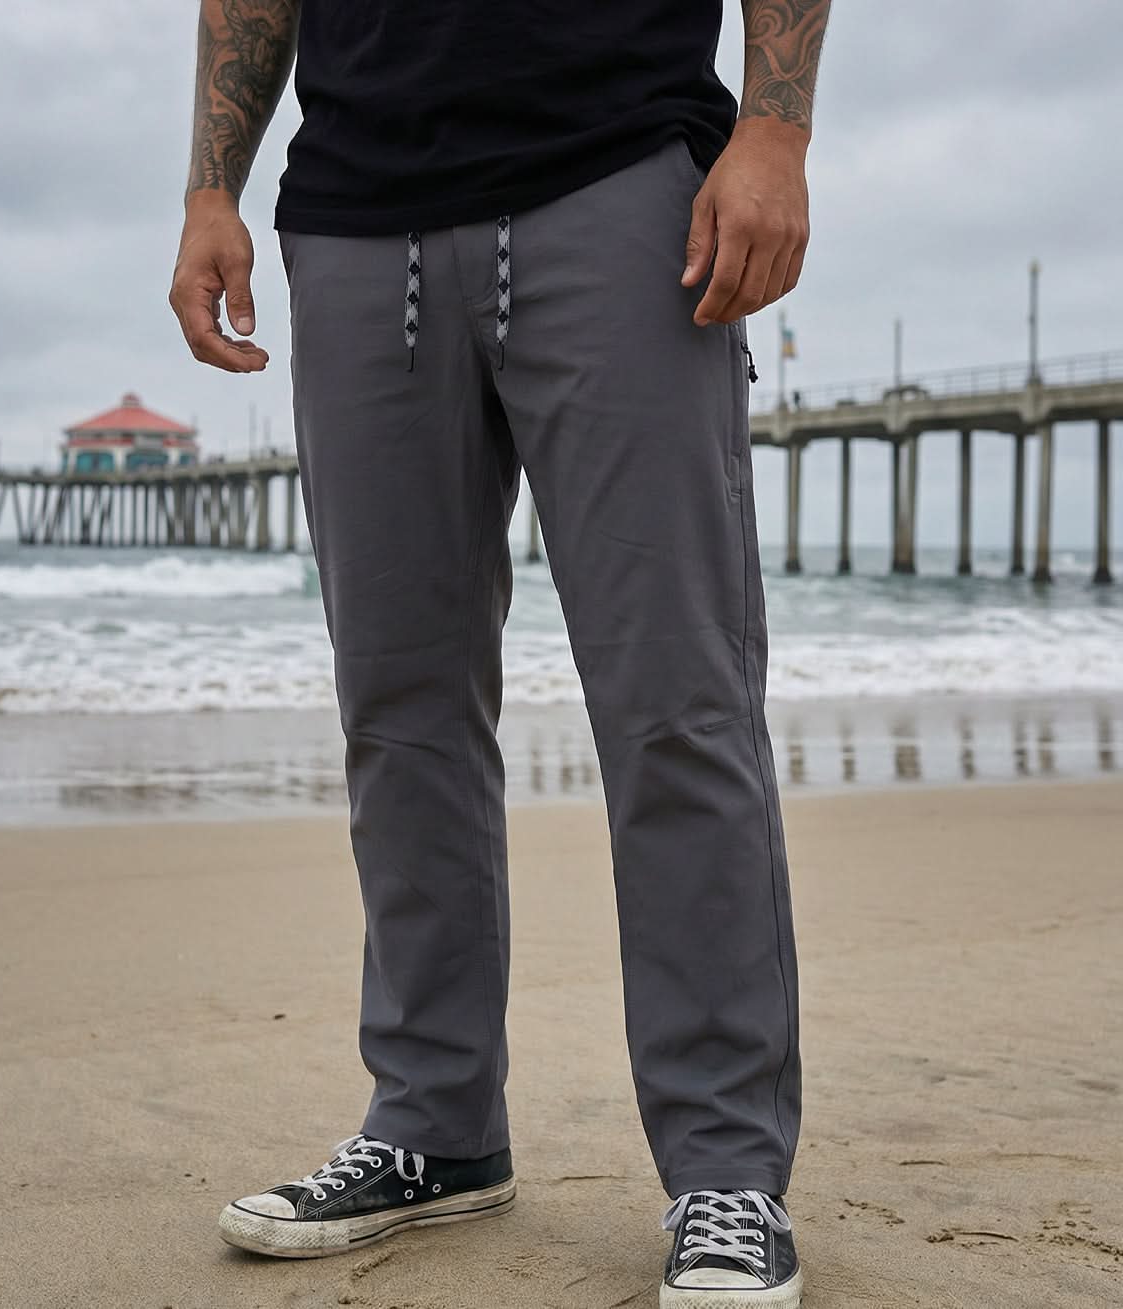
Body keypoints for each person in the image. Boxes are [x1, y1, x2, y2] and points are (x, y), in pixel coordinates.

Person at [169, 2, 828, 1303]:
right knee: (397, 707)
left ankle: (726, 1167)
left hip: (619, 172)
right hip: (354, 208)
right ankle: (435, 1125)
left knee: (675, 697)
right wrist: (208, 189)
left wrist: (776, 130)